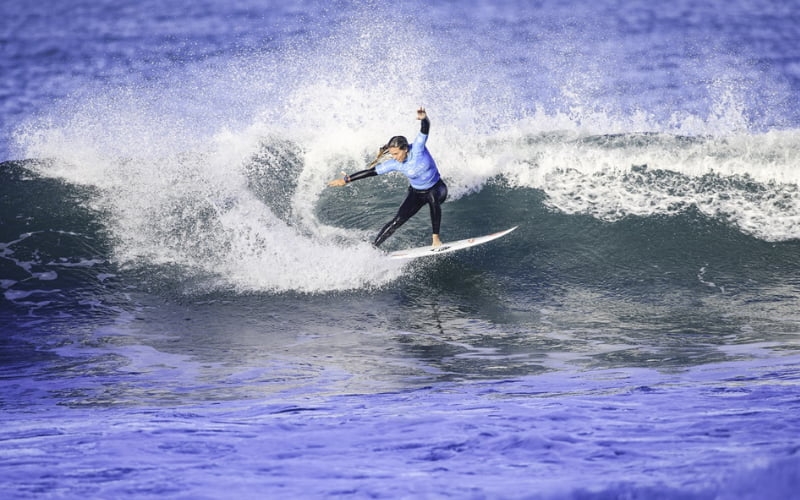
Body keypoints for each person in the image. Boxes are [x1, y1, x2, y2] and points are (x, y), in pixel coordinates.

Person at [328, 107, 448, 248]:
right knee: (397, 220)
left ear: (405, 149)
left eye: (396, 154)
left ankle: (436, 240)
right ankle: (374, 247)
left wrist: (424, 119)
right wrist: (346, 180)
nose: (394, 158)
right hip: (417, 193)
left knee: (433, 198)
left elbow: (425, 128)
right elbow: (371, 172)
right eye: (392, 154)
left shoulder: (418, 148)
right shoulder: (394, 164)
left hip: (437, 188)